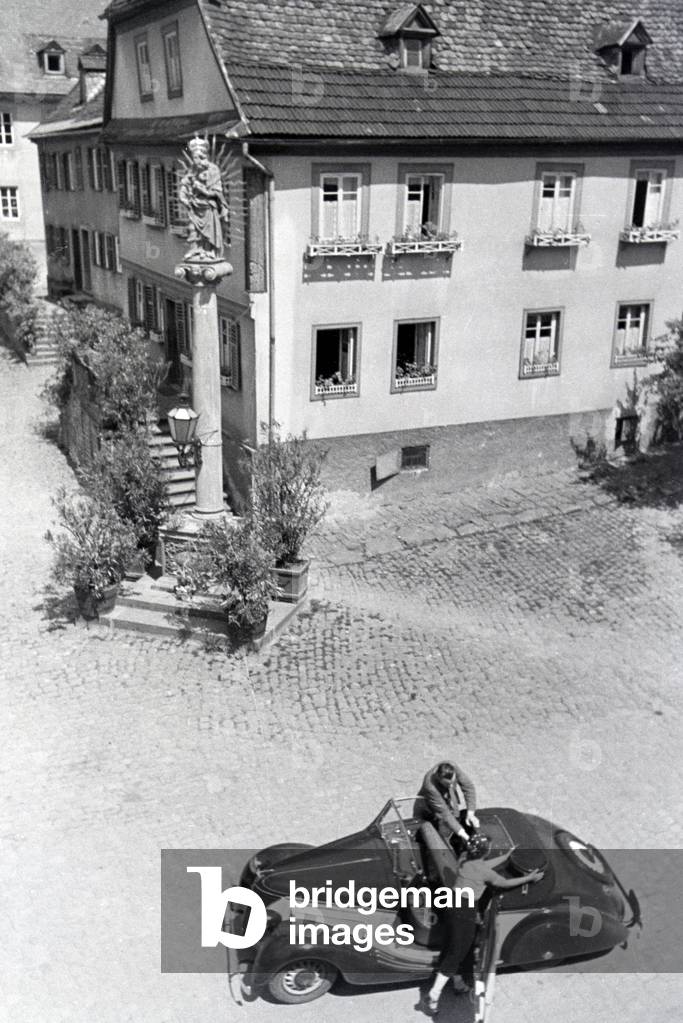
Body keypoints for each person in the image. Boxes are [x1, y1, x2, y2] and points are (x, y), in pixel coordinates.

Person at [425, 833, 544, 1015]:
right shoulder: (485, 872)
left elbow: (481, 866)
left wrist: (505, 857)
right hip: (465, 913)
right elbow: (504, 883)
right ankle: (434, 995)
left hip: (452, 904)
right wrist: (530, 878)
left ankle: (458, 983)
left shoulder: (464, 861)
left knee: (453, 945)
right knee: (458, 952)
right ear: (484, 852)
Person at [179, 137, 229, 260]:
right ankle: (195, 250)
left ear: (203, 156)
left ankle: (209, 251)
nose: (196, 161)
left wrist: (203, 190)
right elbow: (185, 185)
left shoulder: (213, 170)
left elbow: (217, 193)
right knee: (193, 229)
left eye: (198, 157)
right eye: (194, 157)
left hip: (208, 207)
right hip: (194, 206)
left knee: (209, 233)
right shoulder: (193, 169)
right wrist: (183, 196)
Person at [419, 761, 479, 850]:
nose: (451, 785)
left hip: (446, 796)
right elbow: (445, 814)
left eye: (453, 782)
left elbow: (468, 787)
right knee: (442, 822)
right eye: (448, 784)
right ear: (438, 778)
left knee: (453, 815)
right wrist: (465, 836)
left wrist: (470, 813)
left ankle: (454, 825)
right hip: (434, 801)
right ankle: (443, 839)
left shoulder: (452, 766)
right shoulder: (430, 787)